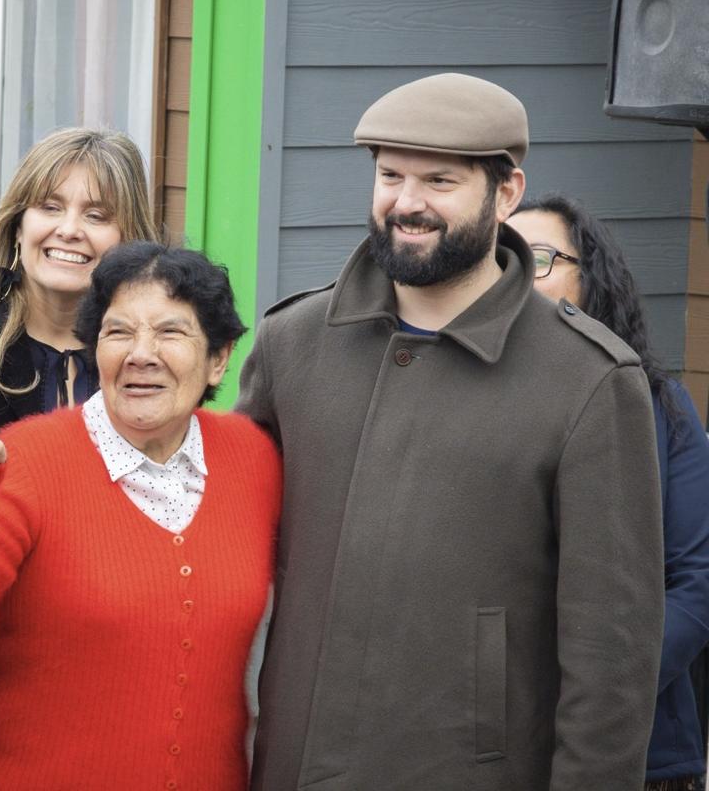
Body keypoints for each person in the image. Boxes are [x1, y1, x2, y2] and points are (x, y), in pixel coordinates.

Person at [238, 72, 664, 790]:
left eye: (439, 180)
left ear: (506, 193)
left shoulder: (590, 381)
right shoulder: (292, 344)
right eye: (390, 175)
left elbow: (611, 665)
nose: (407, 202)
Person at [0, 242, 282, 790]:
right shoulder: (28, 458)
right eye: (119, 332)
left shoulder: (253, 459)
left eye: (170, 333)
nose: (141, 354)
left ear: (219, 357)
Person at [0, 127, 160, 789]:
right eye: (50, 206)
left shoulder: (151, 370)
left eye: (97, 215)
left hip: (101, 702)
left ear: (129, 237)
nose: (69, 230)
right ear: (19, 219)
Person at [509, 195, 709, 791]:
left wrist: (599, 696)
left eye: (539, 258)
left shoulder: (663, 409)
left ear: (592, 280)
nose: (518, 276)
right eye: (504, 259)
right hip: (493, 744)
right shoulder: (461, 408)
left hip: (642, 750)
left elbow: (695, 583)